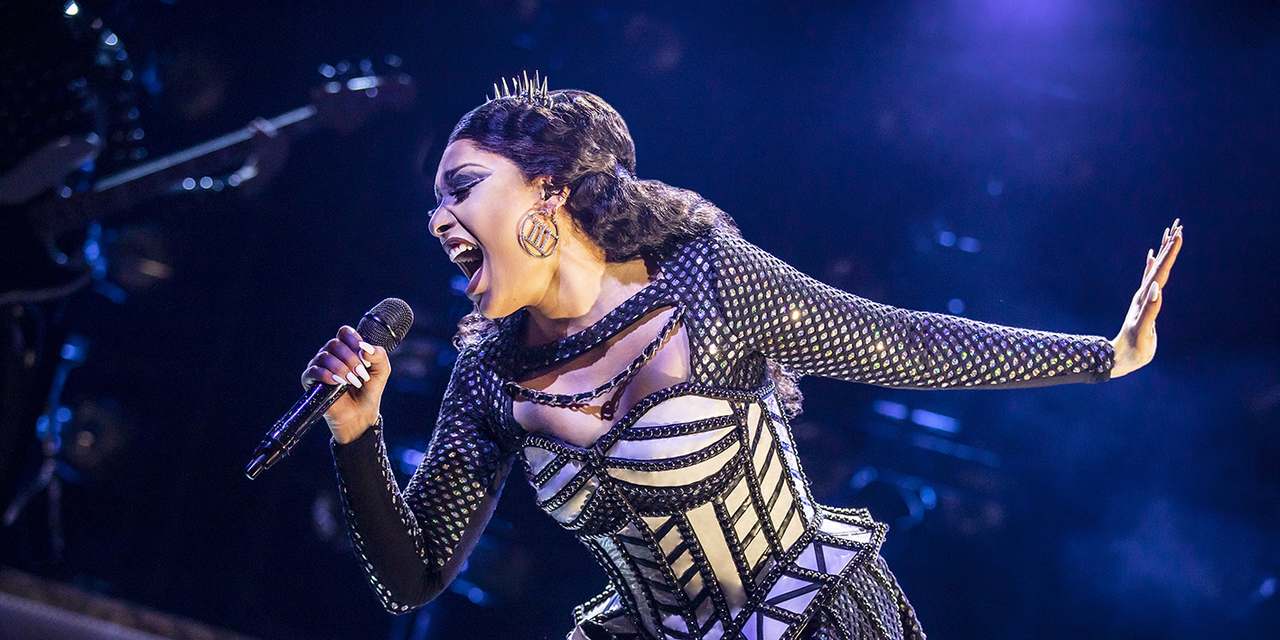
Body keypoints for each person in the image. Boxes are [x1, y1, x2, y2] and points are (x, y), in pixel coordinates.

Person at [304, 75, 1182, 640]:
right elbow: (411, 576)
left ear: (550, 189)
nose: (436, 220)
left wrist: (1107, 354)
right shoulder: (488, 375)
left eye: (461, 189)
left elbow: (904, 343)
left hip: (806, 623)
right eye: (434, 205)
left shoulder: (708, 281)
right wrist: (357, 432)